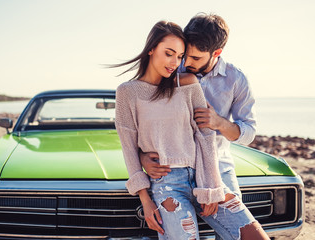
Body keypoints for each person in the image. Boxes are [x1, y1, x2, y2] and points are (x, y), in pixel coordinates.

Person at [114, 20, 268, 240]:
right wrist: (145, 198)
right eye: (171, 54)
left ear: (216, 53)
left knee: (255, 236)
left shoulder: (189, 81)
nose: (178, 62)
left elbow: (205, 136)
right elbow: (128, 145)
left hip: (210, 173)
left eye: (180, 56)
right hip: (168, 183)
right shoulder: (127, 92)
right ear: (151, 49)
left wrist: (212, 187)